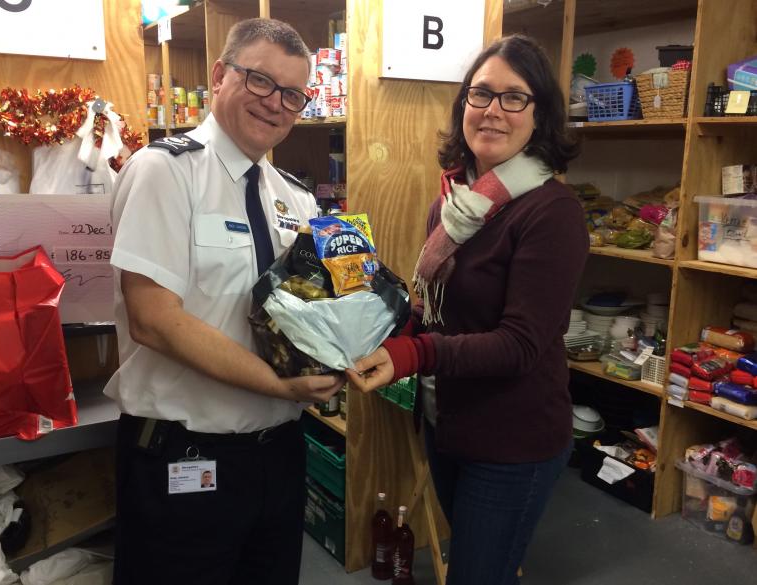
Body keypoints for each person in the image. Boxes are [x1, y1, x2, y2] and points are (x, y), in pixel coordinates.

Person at [105, 18, 344, 585]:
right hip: (185, 458)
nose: (276, 104)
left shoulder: (298, 198)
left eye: (292, 93)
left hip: (279, 452)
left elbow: (314, 311)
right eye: (260, 81)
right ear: (219, 76)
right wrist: (279, 384)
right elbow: (155, 322)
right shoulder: (165, 172)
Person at [346, 35, 588, 585]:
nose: (493, 111)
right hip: (448, 422)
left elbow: (520, 344)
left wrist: (413, 352)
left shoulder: (552, 213)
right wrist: (381, 330)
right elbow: (436, 312)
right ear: (462, 108)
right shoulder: (453, 206)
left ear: (540, 114)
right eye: (480, 94)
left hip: (513, 441)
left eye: (514, 98)